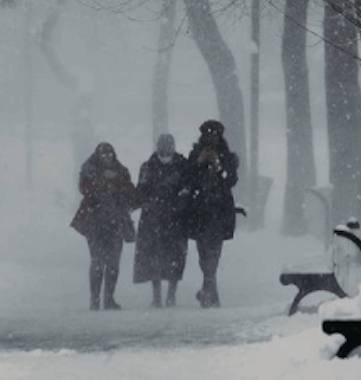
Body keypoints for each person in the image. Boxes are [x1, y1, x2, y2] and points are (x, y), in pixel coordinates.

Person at [70, 142, 136, 310]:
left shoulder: (121, 170)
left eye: (110, 154)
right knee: (98, 261)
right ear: (98, 156)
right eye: (104, 155)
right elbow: (85, 188)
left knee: (113, 262)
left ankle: (108, 298)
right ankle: (95, 299)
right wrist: (106, 183)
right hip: (95, 222)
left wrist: (116, 185)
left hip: (115, 222)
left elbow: (130, 192)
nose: (107, 157)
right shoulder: (89, 169)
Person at [185, 120, 240, 308]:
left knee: (214, 252)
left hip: (219, 210)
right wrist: (199, 163)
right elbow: (189, 179)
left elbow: (231, 180)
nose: (211, 138)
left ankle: (208, 290)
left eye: (215, 135)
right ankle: (210, 291)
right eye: (208, 135)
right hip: (199, 210)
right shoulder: (194, 155)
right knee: (203, 253)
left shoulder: (228, 157)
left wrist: (218, 166)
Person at [133, 133, 189, 307]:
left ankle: (171, 294)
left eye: (168, 144)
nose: (165, 147)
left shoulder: (183, 166)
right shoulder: (148, 167)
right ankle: (156, 296)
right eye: (162, 144)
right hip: (153, 219)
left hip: (175, 218)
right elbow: (141, 190)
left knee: (175, 257)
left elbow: (188, 188)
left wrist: (179, 202)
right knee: (153, 257)